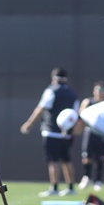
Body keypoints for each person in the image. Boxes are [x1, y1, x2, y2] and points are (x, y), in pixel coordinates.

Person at [20, 67, 78, 197]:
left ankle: (55, 188)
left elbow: (41, 108)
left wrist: (29, 124)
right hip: (66, 134)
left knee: (53, 161)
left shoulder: (51, 91)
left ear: (54, 79)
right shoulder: (73, 94)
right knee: (66, 160)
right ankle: (70, 187)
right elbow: (75, 115)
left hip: (51, 131)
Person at [77, 81, 104, 192]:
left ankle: (98, 181)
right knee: (87, 157)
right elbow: (80, 116)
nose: (98, 92)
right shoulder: (88, 102)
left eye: (101, 90)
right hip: (90, 132)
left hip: (102, 133)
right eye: (96, 89)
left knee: (100, 158)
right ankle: (86, 177)